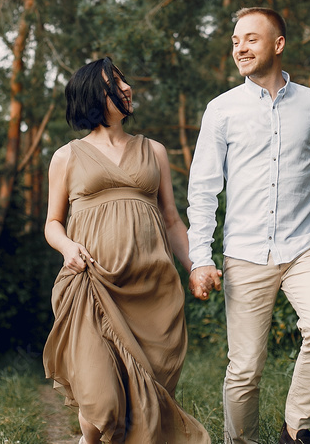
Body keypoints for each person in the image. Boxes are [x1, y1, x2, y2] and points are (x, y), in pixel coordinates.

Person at [186, 8, 310, 444]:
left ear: (277, 45)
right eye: (236, 40)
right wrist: (200, 257)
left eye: (251, 39)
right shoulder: (221, 110)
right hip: (245, 253)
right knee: (245, 370)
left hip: (306, 246)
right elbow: (203, 189)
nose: (240, 47)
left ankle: (296, 429)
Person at [43, 58, 210, 444]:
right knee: (102, 400)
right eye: (114, 83)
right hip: (92, 283)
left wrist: (195, 266)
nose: (126, 87)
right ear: (93, 96)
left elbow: (171, 221)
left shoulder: (154, 151)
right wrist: (67, 247)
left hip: (152, 290)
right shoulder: (67, 156)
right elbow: (53, 223)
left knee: (143, 399)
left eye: (124, 80)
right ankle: (89, 439)